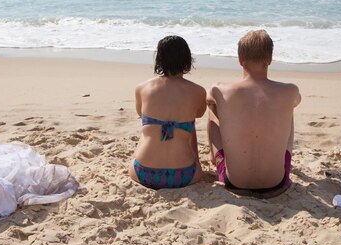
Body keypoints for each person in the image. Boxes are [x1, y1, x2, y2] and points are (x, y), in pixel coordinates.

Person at [207, 30, 301, 198]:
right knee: (288, 107)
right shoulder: (290, 90)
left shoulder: (219, 89)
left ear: (240, 60)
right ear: (270, 60)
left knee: (213, 107)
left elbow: (207, 99)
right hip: (277, 184)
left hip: (233, 183)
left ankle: (214, 156)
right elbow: (297, 101)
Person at [129, 35, 206, 189]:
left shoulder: (142, 88)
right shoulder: (198, 91)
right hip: (185, 175)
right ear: (187, 60)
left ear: (159, 59)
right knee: (187, 125)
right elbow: (199, 113)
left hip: (143, 173)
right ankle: (193, 161)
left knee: (149, 128)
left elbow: (140, 113)